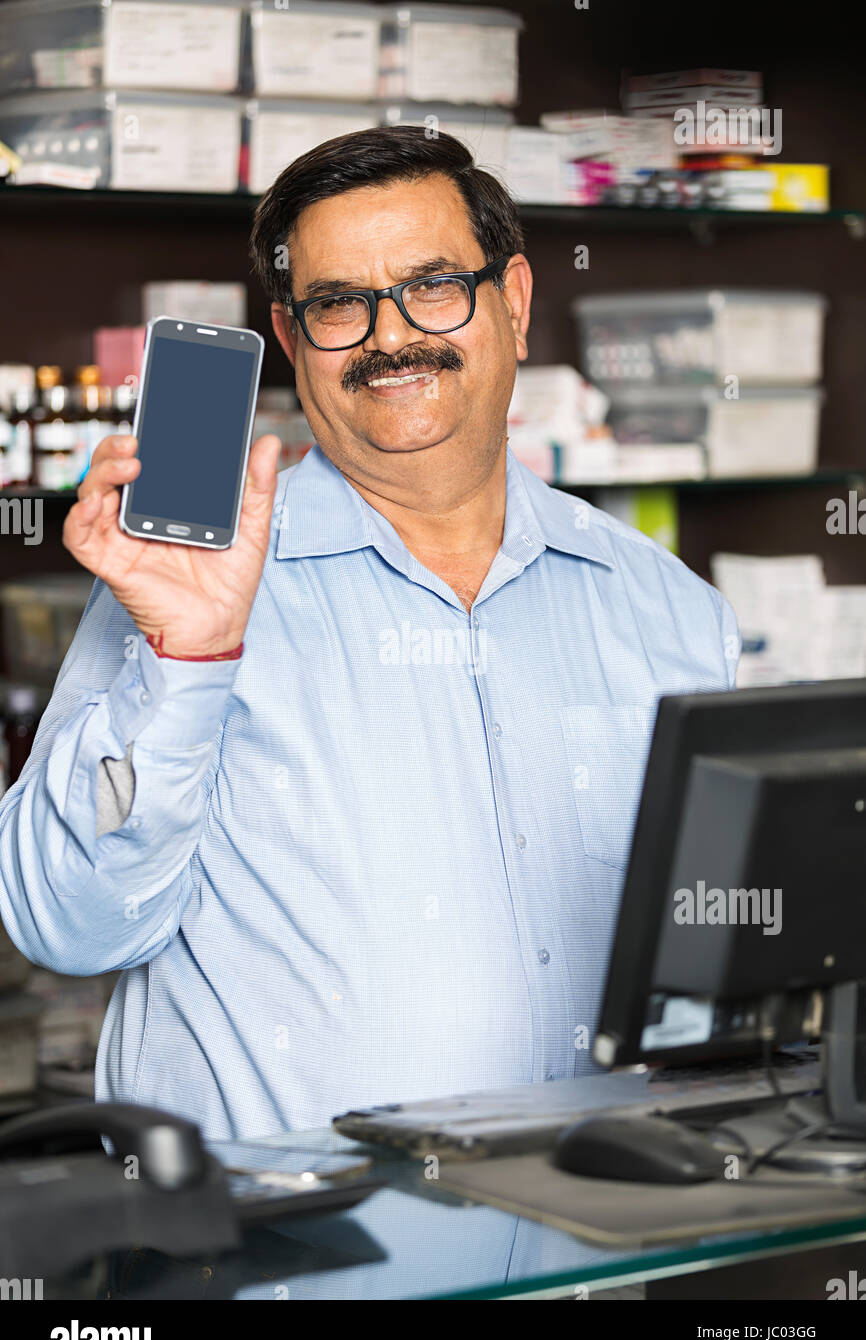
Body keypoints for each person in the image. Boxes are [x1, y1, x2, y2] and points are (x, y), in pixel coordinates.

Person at [0, 128, 739, 1141]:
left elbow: (718, 965)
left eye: (432, 285)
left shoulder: (665, 608)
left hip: (589, 1256)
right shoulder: (192, 587)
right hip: (295, 1273)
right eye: (339, 303)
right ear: (292, 337)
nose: (390, 337)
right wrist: (186, 659)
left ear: (512, 301)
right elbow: (66, 926)